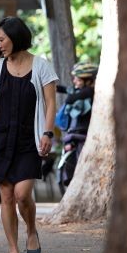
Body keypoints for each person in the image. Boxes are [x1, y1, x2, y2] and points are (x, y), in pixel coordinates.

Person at [0, 16, 58, 253]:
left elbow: (51, 103)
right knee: (7, 196)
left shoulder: (41, 66)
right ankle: (13, 249)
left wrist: (47, 132)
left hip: (28, 139)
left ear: (15, 36)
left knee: (22, 194)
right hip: (0, 138)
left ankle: (31, 229)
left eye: (1, 40)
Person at [56, 62, 98, 190]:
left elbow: (70, 98)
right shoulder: (81, 91)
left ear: (88, 81)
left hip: (84, 135)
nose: (74, 81)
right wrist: (56, 87)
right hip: (74, 133)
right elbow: (67, 90)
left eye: (77, 79)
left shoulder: (89, 92)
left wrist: (70, 95)